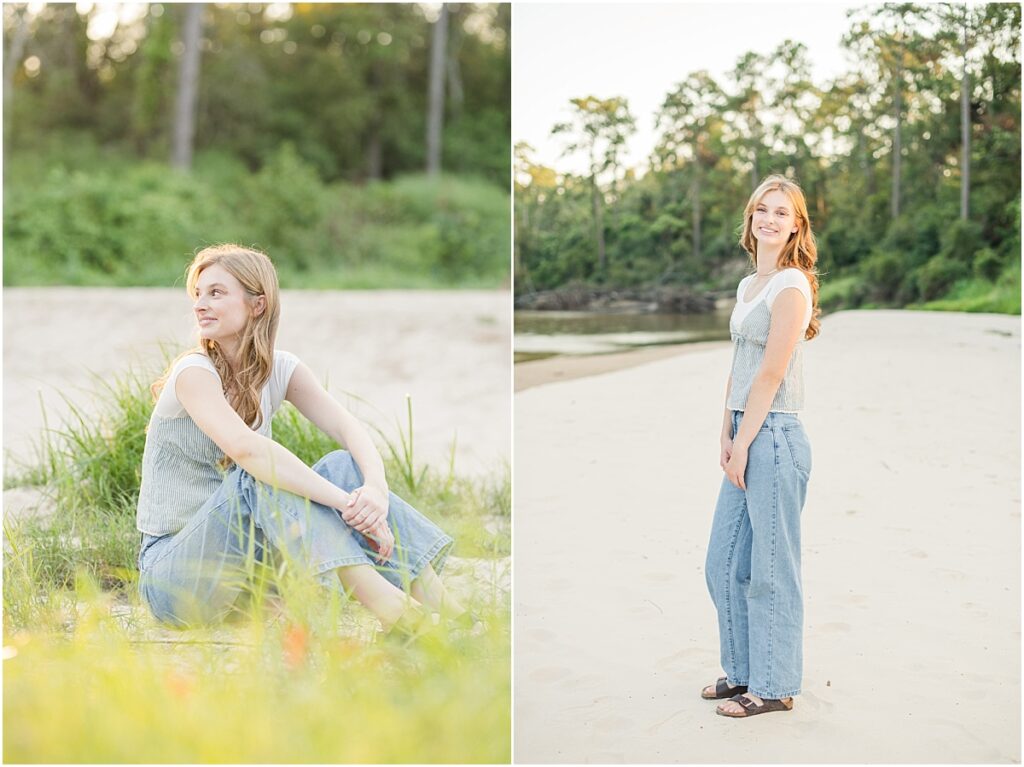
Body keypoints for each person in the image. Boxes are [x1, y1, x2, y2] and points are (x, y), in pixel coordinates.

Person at [135, 244, 469, 638]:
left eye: (216, 293)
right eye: (198, 294)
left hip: (251, 576)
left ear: (257, 304)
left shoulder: (280, 369)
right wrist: (347, 505)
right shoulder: (193, 373)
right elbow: (248, 451)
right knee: (258, 474)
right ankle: (398, 615)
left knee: (342, 465)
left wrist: (374, 492)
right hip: (175, 578)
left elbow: (349, 429)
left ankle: (455, 615)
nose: (200, 305)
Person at [701, 175, 821, 718]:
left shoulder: (792, 285)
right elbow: (739, 368)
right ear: (750, 219)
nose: (769, 219)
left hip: (774, 435)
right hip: (746, 430)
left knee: (772, 568)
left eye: (781, 212)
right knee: (724, 563)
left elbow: (771, 373)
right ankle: (743, 670)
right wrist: (724, 432)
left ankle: (773, 688)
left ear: (796, 225)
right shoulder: (751, 284)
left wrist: (745, 440)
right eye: (761, 210)